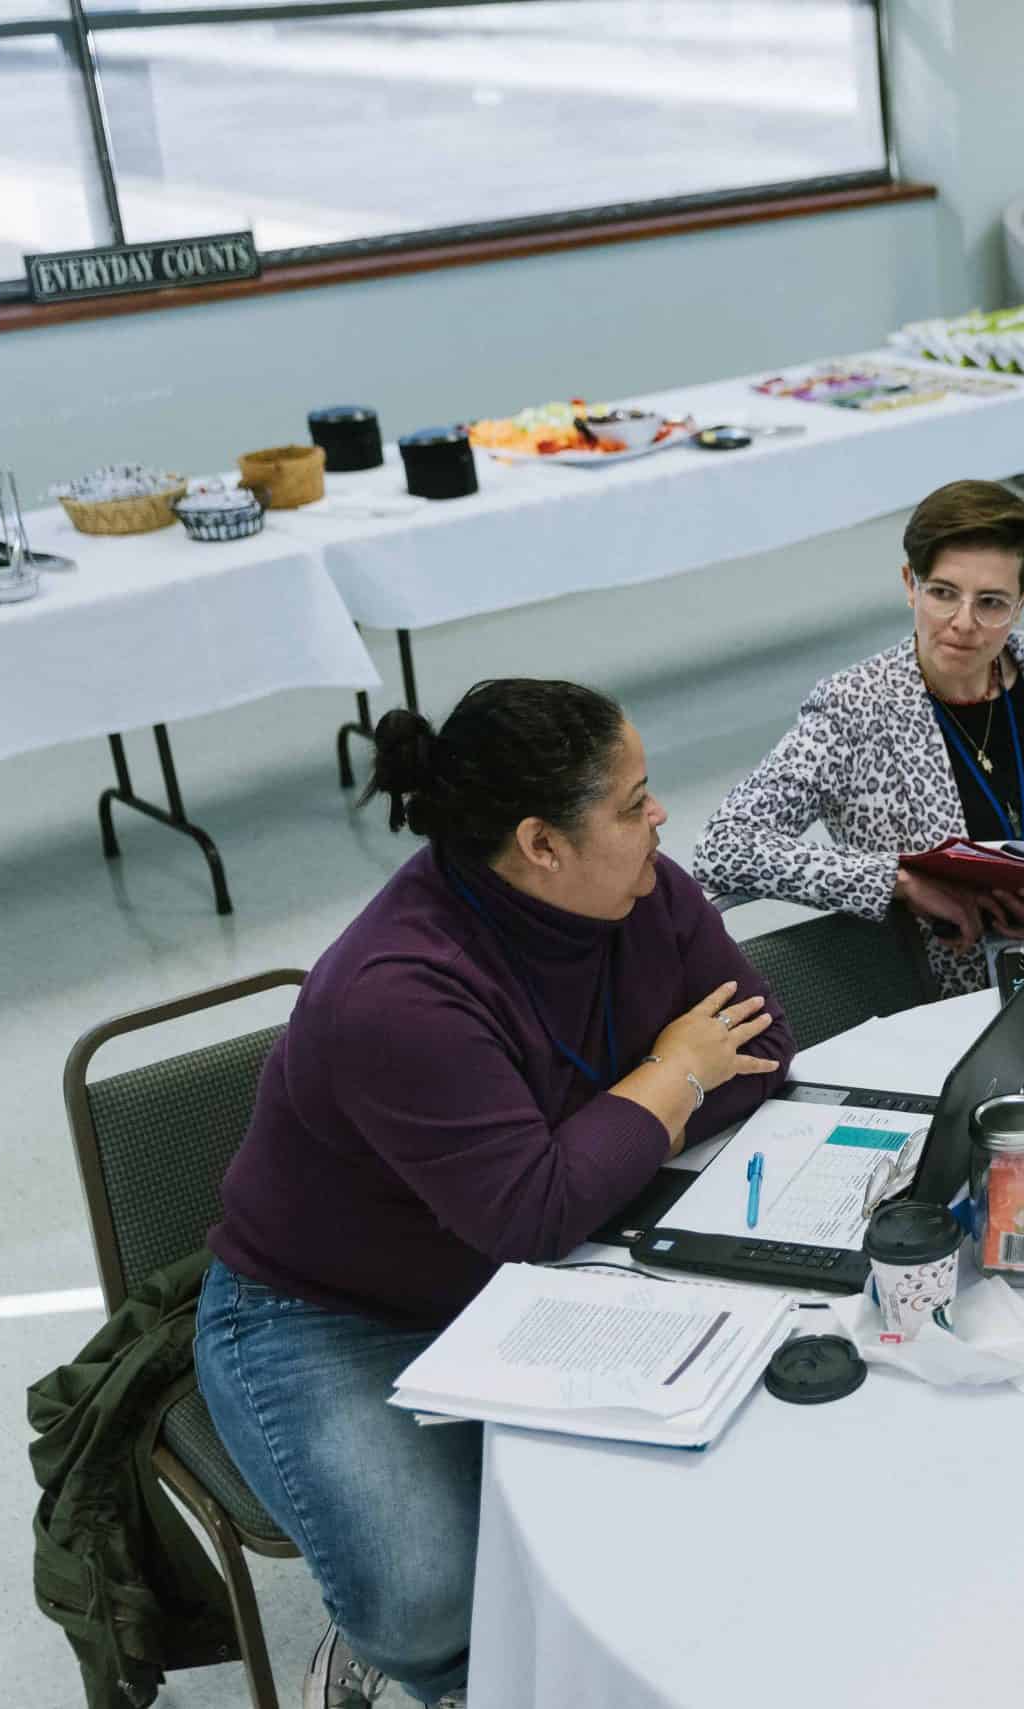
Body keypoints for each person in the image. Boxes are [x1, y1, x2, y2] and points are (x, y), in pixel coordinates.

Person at [195, 680, 795, 1709]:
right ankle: (418, 1672)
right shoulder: (396, 990)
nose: (661, 816)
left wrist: (590, 1149)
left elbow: (763, 1055)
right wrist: (665, 1074)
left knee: (718, 1489)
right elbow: (529, 1210)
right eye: (632, 799)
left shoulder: (646, 887)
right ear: (541, 843)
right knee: (430, 1592)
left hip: (555, 1255)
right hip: (327, 1313)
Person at [694, 478, 1024, 997]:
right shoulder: (856, 706)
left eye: (991, 602)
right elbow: (725, 845)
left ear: (1023, 601)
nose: (963, 623)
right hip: (946, 1005)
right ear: (910, 584)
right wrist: (897, 880)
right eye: (943, 593)